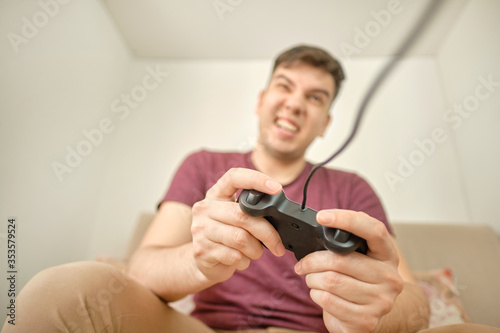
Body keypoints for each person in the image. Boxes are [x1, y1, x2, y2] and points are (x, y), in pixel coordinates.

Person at [6, 45, 499, 333]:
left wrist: (374, 309)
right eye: (284, 86)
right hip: (204, 331)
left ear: (326, 122)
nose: (294, 104)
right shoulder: (203, 165)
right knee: (56, 295)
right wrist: (197, 261)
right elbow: (142, 266)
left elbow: (408, 296)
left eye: (315, 97)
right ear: (263, 99)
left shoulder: (354, 189)